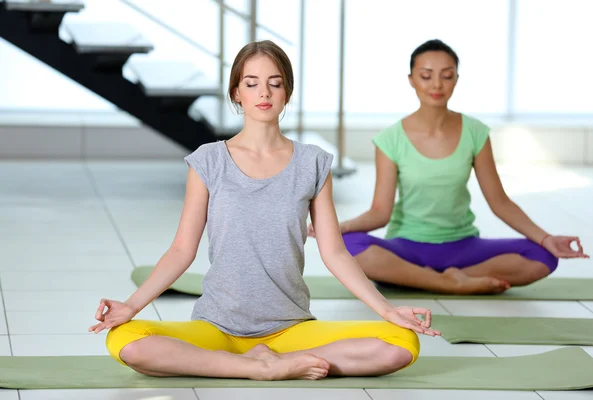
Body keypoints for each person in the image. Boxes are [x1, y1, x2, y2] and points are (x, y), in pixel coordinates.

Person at [89, 40, 440, 382]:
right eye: (251, 83)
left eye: (275, 84)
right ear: (236, 93)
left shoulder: (313, 163)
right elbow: (182, 250)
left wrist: (388, 311)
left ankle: (273, 361)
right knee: (127, 342)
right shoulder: (208, 161)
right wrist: (131, 307)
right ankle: (258, 367)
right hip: (216, 328)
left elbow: (334, 252)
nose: (264, 93)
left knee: (400, 345)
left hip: (290, 328)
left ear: (287, 92)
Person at [311, 39, 589, 295]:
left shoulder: (475, 132)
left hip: (464, 246)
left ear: (456, 78)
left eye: (447, 75)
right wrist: (338, 227)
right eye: (426, 75)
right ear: (411, 80)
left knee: (543, 256)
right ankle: (447, 283)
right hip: (407, 248)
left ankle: (432, 278)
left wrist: (547, 238)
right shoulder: (390, 139)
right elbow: (379, 213)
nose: (436, 85)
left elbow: (500, 202)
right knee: (350, 245)